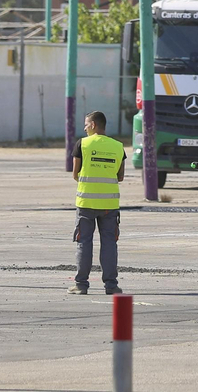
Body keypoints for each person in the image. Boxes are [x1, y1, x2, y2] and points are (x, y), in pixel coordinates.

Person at [69, 110, 125, 295]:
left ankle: (81, 285)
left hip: (86, 202)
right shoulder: (118, 146)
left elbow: (75, 174)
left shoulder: (82, 144)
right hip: (109, 205)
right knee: (109, 243)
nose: (84, 128)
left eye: (86, 124)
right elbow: (121, 176)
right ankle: (111, 286)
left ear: (93, 125)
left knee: (84, 242)